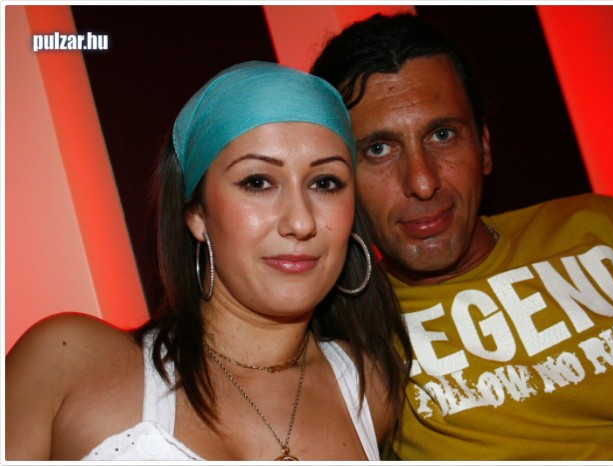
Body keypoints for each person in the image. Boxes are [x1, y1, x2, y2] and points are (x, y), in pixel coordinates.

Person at [311, 13, 613, 461]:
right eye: (378, 149)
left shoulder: (611, 227)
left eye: (442, 135)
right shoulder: (351, 340)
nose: (422, 182)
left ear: (485, 147)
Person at [5, 61, 412, 461]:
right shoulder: (66, 364)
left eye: (325, 183)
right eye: (258, 182)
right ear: (197, 214)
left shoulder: (372, 391)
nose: (301, 222)